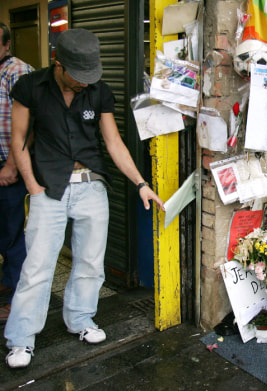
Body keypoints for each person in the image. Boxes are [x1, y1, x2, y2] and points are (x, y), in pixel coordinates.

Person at [4, 28, 165, 368]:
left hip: (91, 184)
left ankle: (80, 318)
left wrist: (140, 183)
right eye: (78, 77)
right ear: (58, 64)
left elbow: (113, 142)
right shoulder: (30, 87)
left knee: (91, 261)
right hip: (48, 186)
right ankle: (21, 339)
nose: (83, 83)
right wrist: (32, 185)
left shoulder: (98, 92)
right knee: (37, 266)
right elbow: (18, 138)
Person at [0, 22, 33, 323]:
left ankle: (16, 300)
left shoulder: (17, 71)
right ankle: (8, 282)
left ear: (7, 45)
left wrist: (11, 165)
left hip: (9, 168)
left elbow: (27, 126)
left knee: (14, 235)